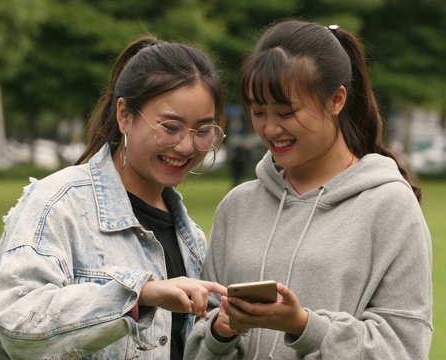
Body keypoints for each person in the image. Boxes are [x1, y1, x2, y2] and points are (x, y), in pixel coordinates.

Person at [185, 20, 433, 359]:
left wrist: (303, 327)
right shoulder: (237, 206)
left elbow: (404, 347)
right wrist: (220, 332)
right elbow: (199, 337)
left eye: (287, 112)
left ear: (336, 100)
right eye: (258, 112)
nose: (270, 129)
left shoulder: (389, 205)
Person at [0, 34, 228, 359]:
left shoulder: (191, 238)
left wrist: (223, 331)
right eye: (170, 126)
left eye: (202, 130)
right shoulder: (57, 203)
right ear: (124, 115)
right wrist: (139, 295)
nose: (186, 146)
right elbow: (17, 322)